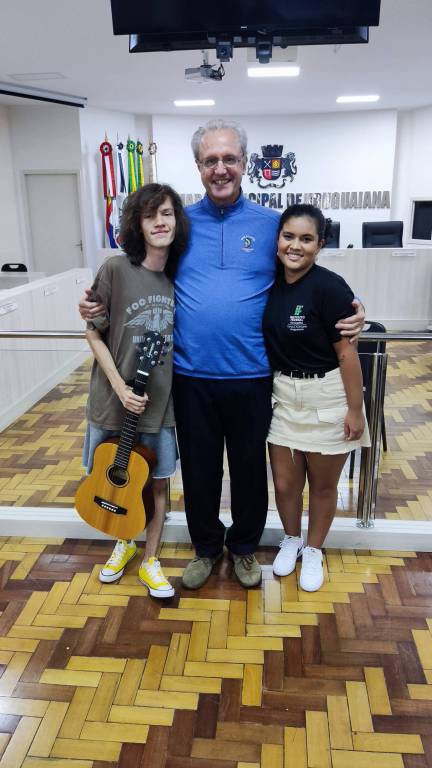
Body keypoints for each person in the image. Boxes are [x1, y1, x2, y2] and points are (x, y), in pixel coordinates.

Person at [80, 119, 365, 591]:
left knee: (250, 470)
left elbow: (307, 273)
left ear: (244, 162)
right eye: (210, 160)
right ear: (198, 165)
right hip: (190, 376)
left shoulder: (270, 225)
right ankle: (207, 548)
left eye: (229, 158)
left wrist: (354, 309)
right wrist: (95, 305)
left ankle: (245, 548)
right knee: (200, 471)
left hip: (252, 375)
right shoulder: (181, 224)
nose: (220, 168)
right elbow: (139, 269)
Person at [82, 183, 188, 598]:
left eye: (167, 213)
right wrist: (120, 387)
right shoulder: (115, 269)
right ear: (137, 224)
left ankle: (151, 560)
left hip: (159, 405)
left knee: (157, 484)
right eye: (149, 215)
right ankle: (123, 542)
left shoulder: (181, 276)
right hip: (113, 401)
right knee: (114, 476)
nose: (159, 222)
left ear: (177, 221)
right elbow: (93, 333)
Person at [263, 204, 370, 592]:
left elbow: (347, 354)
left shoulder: (329, 286)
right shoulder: (268, 280)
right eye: (288, 236)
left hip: (327, 394)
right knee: (285, 485)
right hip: (282, 395)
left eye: (306, 239)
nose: (295, 246)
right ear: (278, 239)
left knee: (323, 487)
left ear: (320, 244)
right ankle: (291, 540)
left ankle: (313, 549)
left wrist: (355, 409)